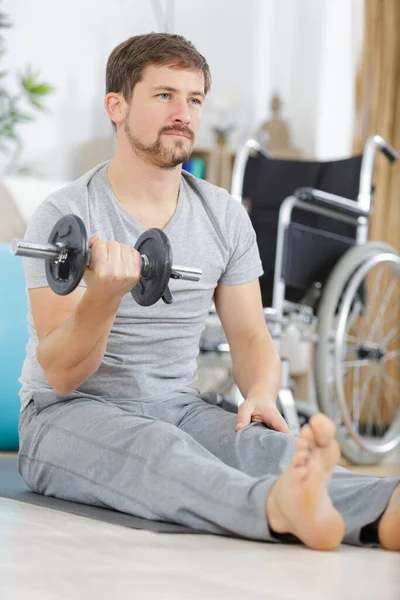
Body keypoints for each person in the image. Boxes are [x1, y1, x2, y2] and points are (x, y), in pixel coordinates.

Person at [18, 32, 399, 551]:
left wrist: (261, 392)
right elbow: (61, 375)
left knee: (265, 450)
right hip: (67, 417)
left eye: (194, 99)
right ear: (117, 106)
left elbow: (249, 336)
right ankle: (276, 510)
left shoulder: (223, 215)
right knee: (162, 448)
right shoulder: (65, 215)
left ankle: (384, 506)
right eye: (164, 96)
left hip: (177, 405)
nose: (184, 113)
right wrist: (104, 297)